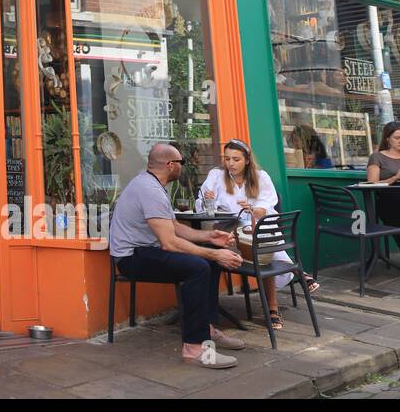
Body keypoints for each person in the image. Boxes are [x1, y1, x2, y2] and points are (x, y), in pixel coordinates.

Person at [109, 143, 245, 368]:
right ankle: (194, 347)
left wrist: (210, 237)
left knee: (208, 265)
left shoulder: (154, 185)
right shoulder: (149, 190)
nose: (184, 166)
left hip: (147, 251)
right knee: (199, 267)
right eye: (181, 162)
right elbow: (170, 242)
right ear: (171, 165)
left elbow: (173, 226)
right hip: (131, 258)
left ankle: (207, 328)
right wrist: (215, 254)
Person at [201, 139, 319, 332]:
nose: (231, 163)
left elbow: (266, 206)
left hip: (257, 232)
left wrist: (252, 209)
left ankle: (273, 307)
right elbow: (203, 208)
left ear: (247, 160)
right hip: (228, 233)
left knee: (261, 242)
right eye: (228, 159)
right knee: (258, 238)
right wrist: (208, 200)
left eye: (236, 159)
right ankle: (296, 272)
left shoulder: (260, 176)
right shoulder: (216, 176)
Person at [366, 122, 400, 233]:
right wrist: (395, 177)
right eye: (397, 138)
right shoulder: (377, 157)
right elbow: (371, 184)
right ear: (387, 138)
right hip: (390, 201)